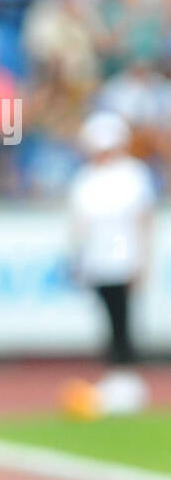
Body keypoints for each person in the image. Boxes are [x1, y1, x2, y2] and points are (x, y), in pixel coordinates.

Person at [67, 111, 156, 376]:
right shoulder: (86, 177)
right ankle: (116, 369)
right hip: (97, 258)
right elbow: (79, 223)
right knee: (108, 317)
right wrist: (77, 258)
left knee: (123, 318)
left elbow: (144, 219)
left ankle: (126, 370)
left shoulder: (133, 174)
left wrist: (143, 259)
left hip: (124, 256)